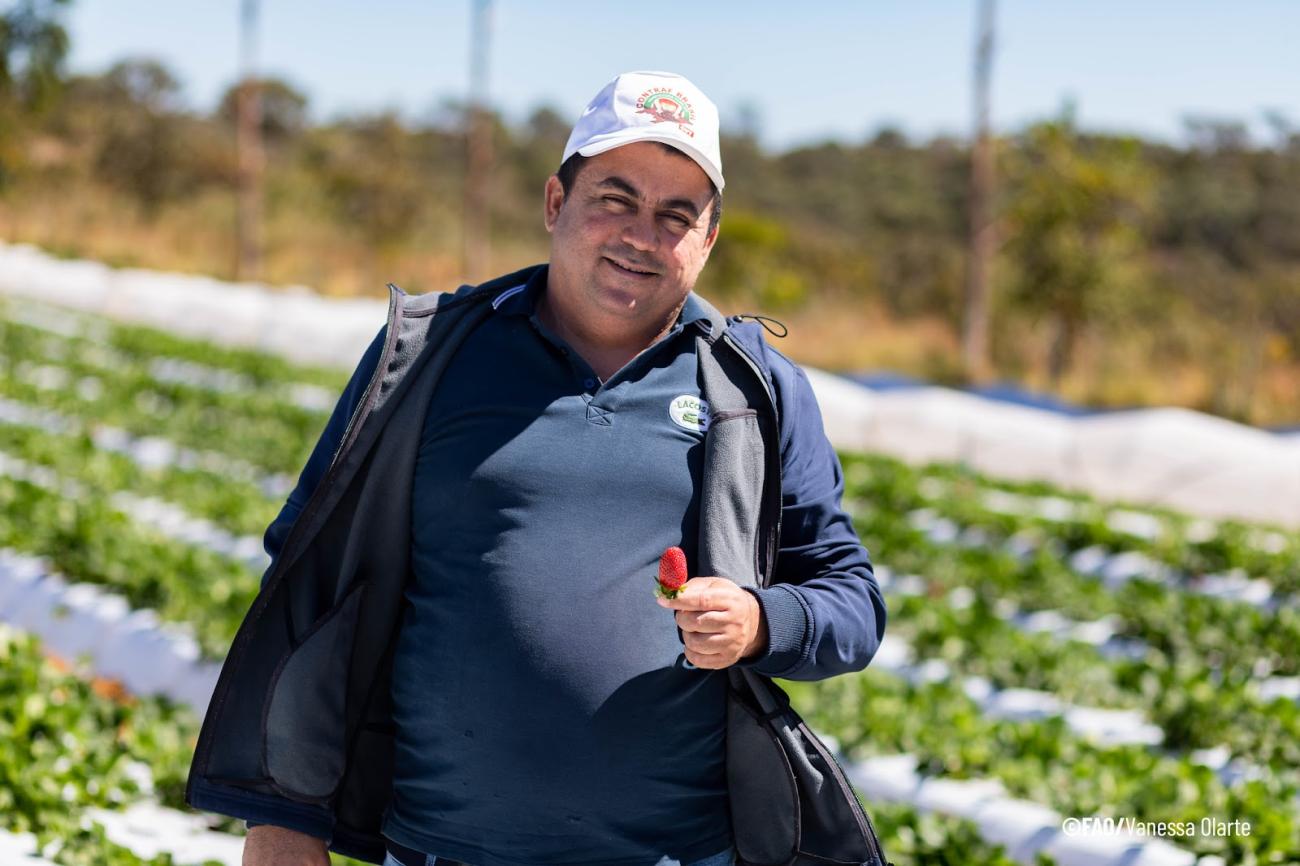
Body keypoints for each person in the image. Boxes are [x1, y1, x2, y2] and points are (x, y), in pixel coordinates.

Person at [186, 70, 886, 866]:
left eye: (674, 217)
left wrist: (764, 622)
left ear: (707, 241)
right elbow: (309, 588)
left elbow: (852, 602)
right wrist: (280, 821)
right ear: (557, 203)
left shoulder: (751, 392)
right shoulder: (428, 360)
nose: (639, 236)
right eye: (614, 200)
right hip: (439, 849)